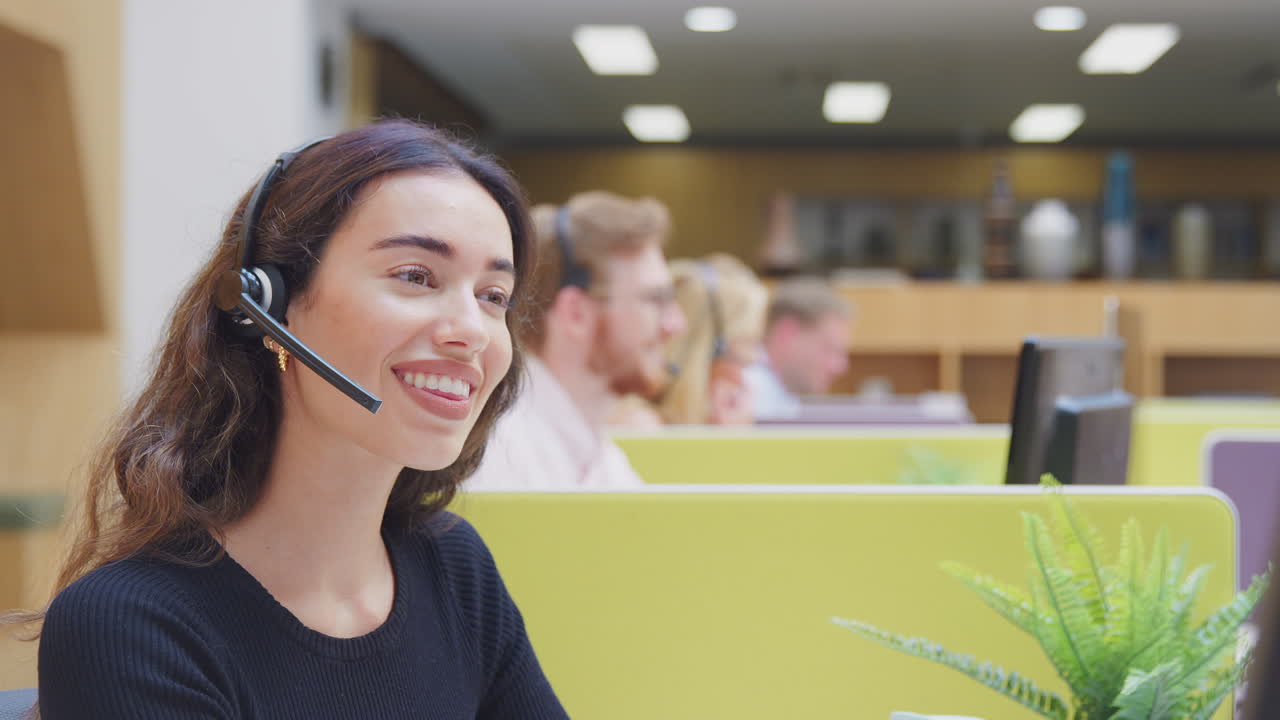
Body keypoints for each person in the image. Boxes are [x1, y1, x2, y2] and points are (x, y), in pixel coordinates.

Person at [10, 120, 568, 718]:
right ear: (269, 308)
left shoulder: (453, 566)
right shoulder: (133, 623)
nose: (471, 332)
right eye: (415, 276)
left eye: (493, 296)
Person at [465, 192, 686, 490]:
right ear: (575, 313)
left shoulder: (602, 460)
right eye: (655, 300)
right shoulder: (497, 458)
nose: (676, 324)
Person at [649, 254, 768, 426]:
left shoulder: (699, 421)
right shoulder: (641, 424)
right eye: (750, 342)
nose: (756, 358)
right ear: (711, 348)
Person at [743, 277, 853, 420]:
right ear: (787, 333)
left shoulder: (781, 394)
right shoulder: (741, 397)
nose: (840, 366)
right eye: (829, 349)